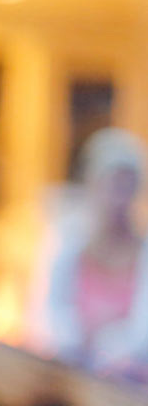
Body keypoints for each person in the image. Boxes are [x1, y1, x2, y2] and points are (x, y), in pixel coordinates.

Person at [40, 127, 147, 374]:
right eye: (111, 184)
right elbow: (48, 318)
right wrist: (76, 340)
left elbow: (142, 337)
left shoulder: (142, 254)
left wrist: (108, 346)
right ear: (92, 184)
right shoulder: (67, 247)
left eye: (126, 186)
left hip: (130, 385)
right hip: (72, 374)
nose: (118, 198)